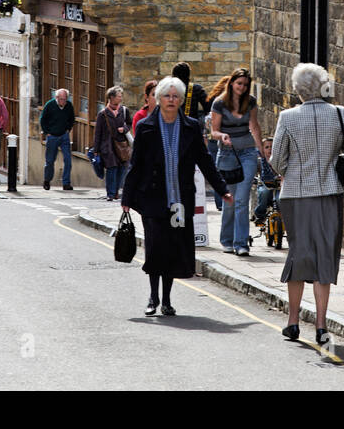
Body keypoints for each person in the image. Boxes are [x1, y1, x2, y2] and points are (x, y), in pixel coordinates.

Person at [121, 77, 233, 317]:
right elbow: (136, 164)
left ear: (181, 100)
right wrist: (126, 198)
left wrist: (222, 188)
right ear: (158, 99)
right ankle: (153, 297)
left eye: (175, 97)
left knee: (172, 248)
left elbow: (205, 161)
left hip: (180, 202)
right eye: (167, 96)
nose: (171, 100)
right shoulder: (145, 127)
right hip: (152, 198)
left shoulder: (191, 127)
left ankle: (168, 300)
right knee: (154, 247)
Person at [268, 63, 344, 345]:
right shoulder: (339, 114)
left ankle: (293, 322)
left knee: (298, 255)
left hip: (296, 194)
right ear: (323, 87)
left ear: (298, 91)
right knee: (325, 258)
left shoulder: (288, 117)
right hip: (330, 193)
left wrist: (291, 167)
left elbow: (276, 161)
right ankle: (321, 326)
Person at [209, 67, 271, 256]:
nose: (242, 88)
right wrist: (223, 136)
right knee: (230, 200)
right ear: (232, 83)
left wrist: (261, 150)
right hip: (227, 154)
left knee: (242, 199)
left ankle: (241, 243)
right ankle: (227, 240)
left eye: (245, 85)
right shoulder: (219, 104)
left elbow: (254, 126)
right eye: (239, 84)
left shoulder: (250, 102)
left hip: (247, 153)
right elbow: (214, 131)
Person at [93, 86, 131, 201]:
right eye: (119, 96)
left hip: (121, 145)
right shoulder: (103, 114)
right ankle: (111, 193)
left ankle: (116, 192)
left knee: (121, 168)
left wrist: (124, 129)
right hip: (107, 146)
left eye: (121, 96)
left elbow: (129, 124)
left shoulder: (124, 111)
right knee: (111, 168)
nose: (121, 98)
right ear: (111, 97)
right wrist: (96, 150)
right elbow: (97, 133)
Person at [39, 88, 76, 191]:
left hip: (64, 135)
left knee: (68, 160)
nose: (63, 101)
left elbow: (72, 119)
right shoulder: (50, 105)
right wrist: (47, 132)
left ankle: (66, 183)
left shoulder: (68, 106)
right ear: (56, 98)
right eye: (60, 99)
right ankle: (47, 180)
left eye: (64, 99)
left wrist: (68, 129)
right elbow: (42, 119)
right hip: (52, 136)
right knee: (50, 161)